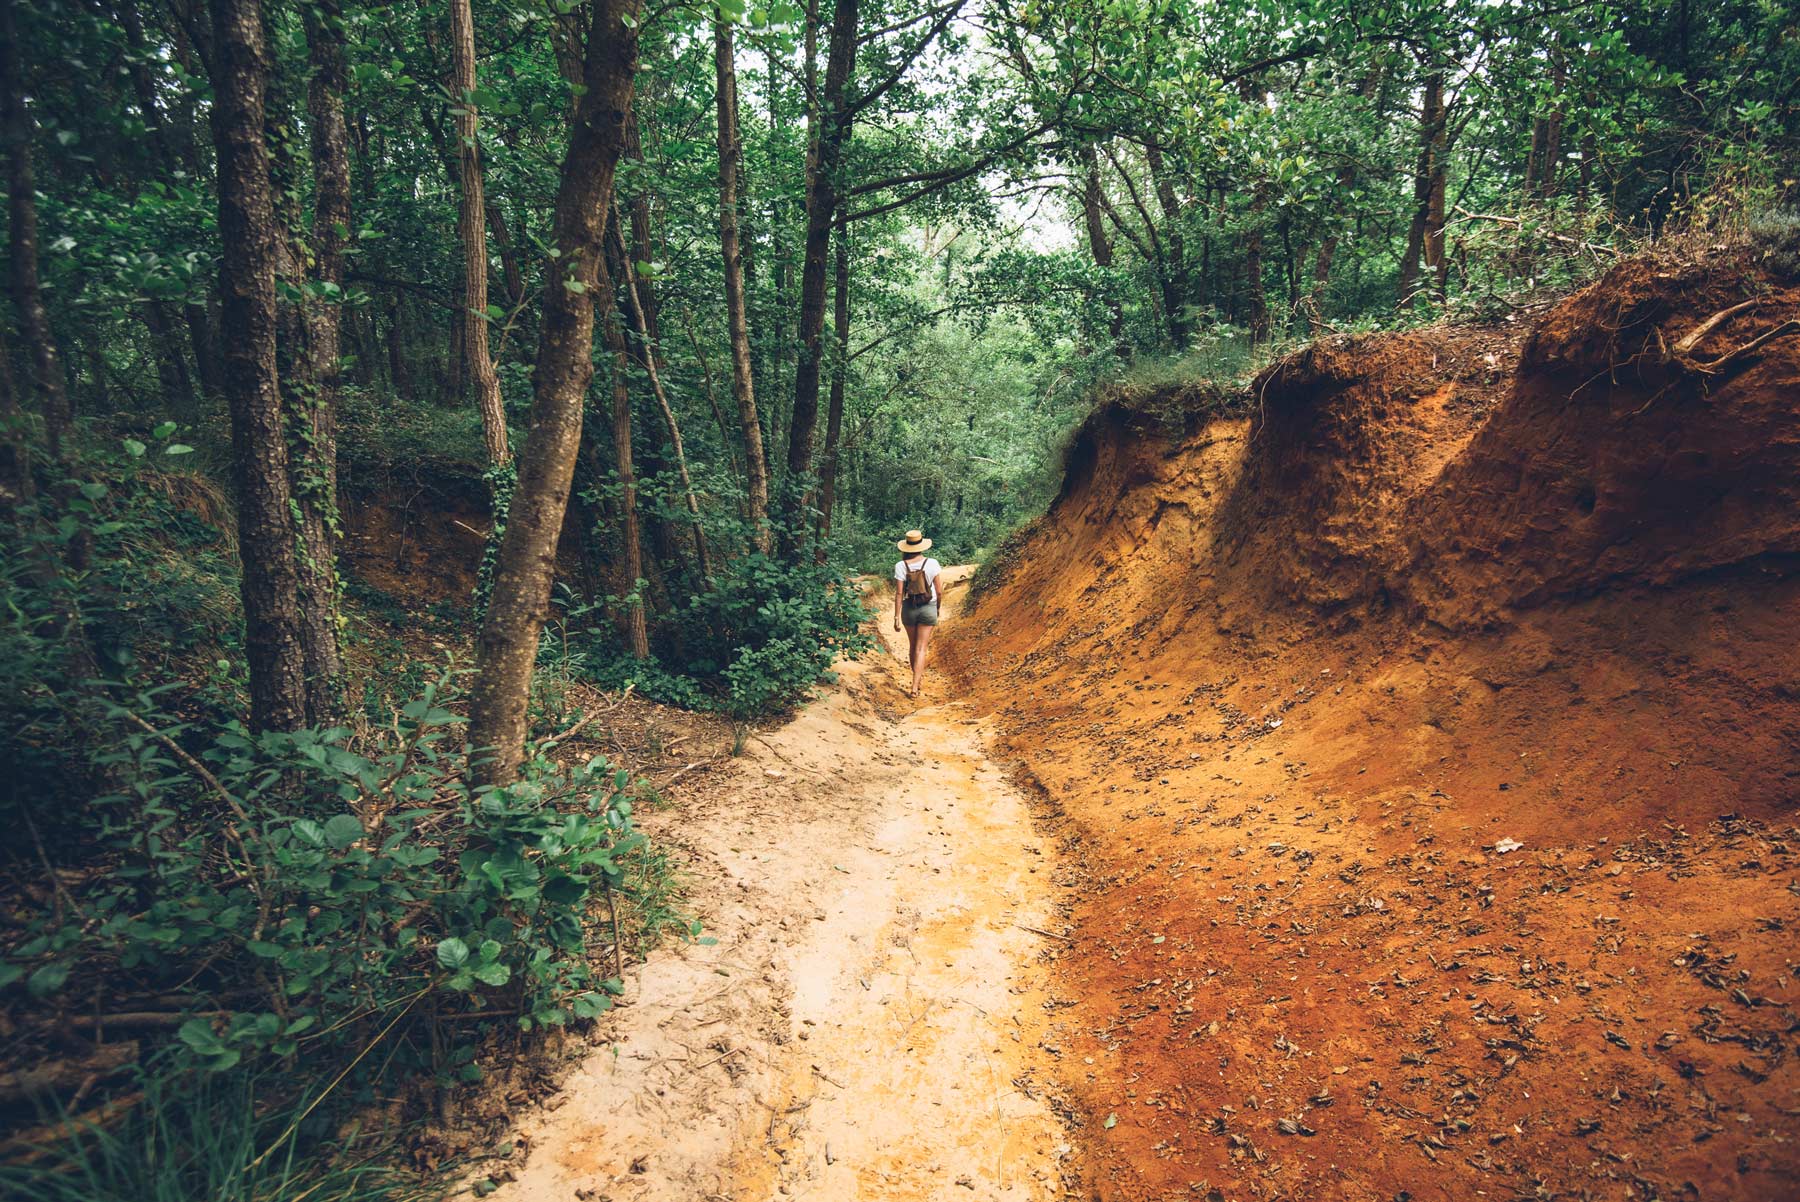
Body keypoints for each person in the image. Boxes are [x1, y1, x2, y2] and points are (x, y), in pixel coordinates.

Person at [892, 529, 942, 698]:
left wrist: (896, 616)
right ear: (922, 546)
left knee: (913, 646)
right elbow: (940, 591)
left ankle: (916, 681)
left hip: (909, 609)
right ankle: (915, 687)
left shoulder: (901, 566)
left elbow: (899, 593)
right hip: (928, 607)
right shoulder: (932, 563)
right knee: (922, 648)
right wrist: (938, 608)